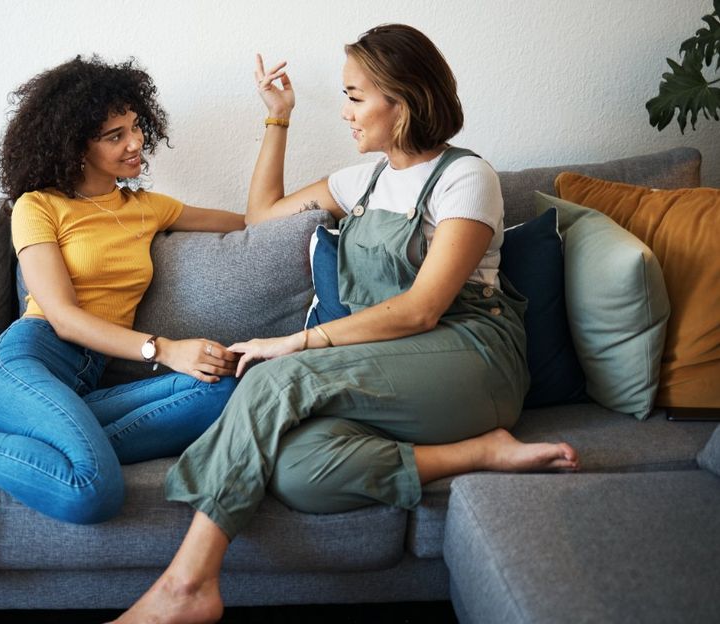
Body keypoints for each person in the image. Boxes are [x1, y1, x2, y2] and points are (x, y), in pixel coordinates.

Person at [115, 24, 578, 623]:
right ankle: (478, 452)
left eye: (356, 97)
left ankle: (187, 585)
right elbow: (262, 218)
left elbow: (422, 309)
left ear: (403, 102)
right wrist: (277, 118)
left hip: (470, 356)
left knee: (275, 379)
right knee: (298, 471)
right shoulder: (361, 182)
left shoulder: (466, 178)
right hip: (388, 366)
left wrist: (299, 343)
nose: (345, 112)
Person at [0, 56, 246, 524]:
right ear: (75, 145)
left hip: (82, 387)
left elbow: (254, 220)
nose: (136, 142)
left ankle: (7, 454)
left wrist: (280, 121)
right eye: (115, 135)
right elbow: (61, 315)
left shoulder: (150, 208)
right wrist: (164, 350)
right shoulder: (38, 206)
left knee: (227, 388)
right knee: (92, 491)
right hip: (25, 364)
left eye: (136, 127)